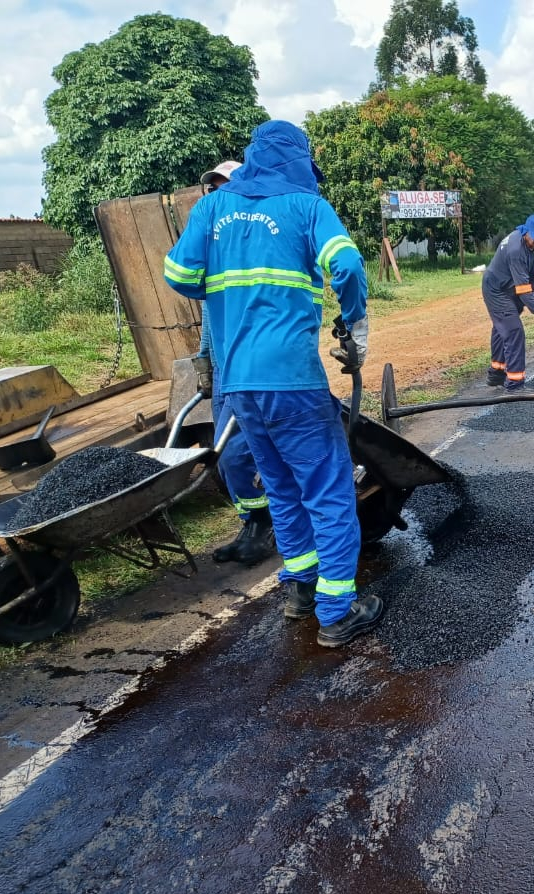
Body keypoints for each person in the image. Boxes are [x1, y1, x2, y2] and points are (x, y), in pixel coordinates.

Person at [165, 120, 384, 648]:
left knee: (282, 490)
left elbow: (177, 275)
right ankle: (336, 611)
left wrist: (225, 290)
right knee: (329, 492)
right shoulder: (307, 206)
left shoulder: (212, 208)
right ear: (300, 161)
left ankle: (300, 590)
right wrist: (354, 323)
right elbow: (347, 264)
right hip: (292, 381)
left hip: (237, 384)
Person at [190, 160, 276, 568]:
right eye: (215, 188)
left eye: (227, 186)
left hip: (252, 366)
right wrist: (204, 362)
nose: (219, 194)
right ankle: (253, 523)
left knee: (237, 453)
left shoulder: (256, 246)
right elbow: (209, 315)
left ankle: (265, 525)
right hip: (224, 368)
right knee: (224, 454)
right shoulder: (210, 246)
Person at [481, 213, 534, 390]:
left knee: (503, 328)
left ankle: (497, 374)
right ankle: (515, 383)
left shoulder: (533, 245)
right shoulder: (516, 249)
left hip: (510, 287)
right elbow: (523, 290)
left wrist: (532, 290)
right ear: (526, 232)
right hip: (497, 290)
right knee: (514, 331)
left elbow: (530, 275)